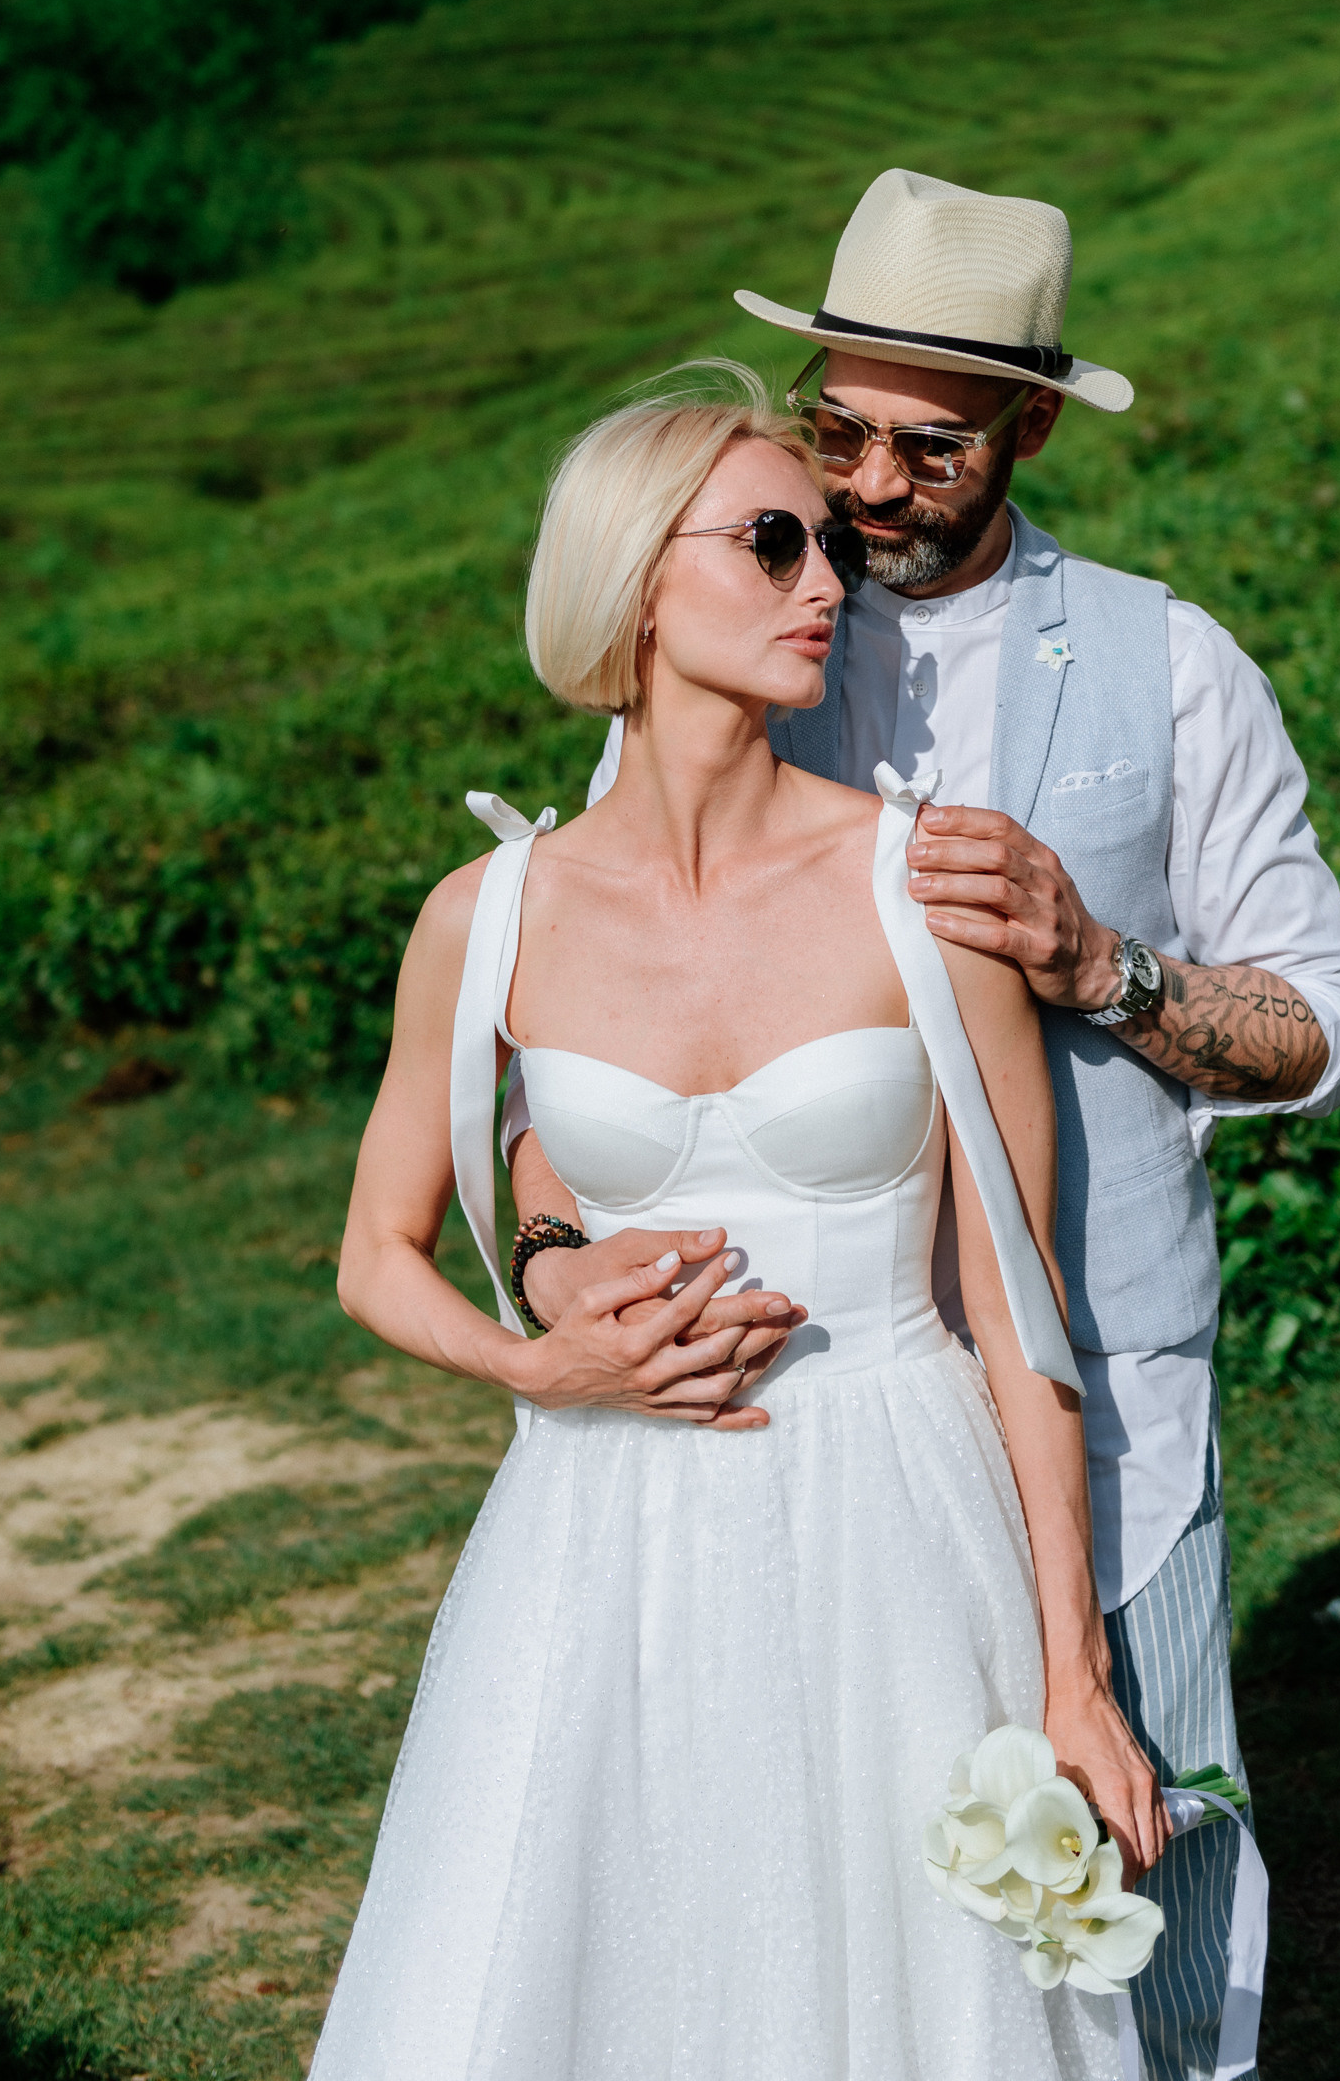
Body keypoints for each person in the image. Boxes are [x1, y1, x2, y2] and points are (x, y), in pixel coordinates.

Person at [507, 169, 1340, 2081]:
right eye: (840, 434)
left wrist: (1099, 964)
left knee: (1142, 1855)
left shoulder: (1174, 664)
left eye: (932, 447)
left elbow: (1320, 1025)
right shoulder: (738, 617)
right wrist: (558, 1268)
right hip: (792, 1418)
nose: (869, 491)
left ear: (1032, 429)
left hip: (1104, 1380)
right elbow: (553, 1065)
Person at [316, 371, 1157, 2081]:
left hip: (896, 1520)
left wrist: (1073, 1676)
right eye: (774, 542)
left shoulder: (921, 889)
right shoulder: (488, 916)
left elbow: (1020, 1308)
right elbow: (374, 1254)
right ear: (636, 580)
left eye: (827, 544)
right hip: (600, 1529)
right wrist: (535, 1365)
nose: (827, 580)